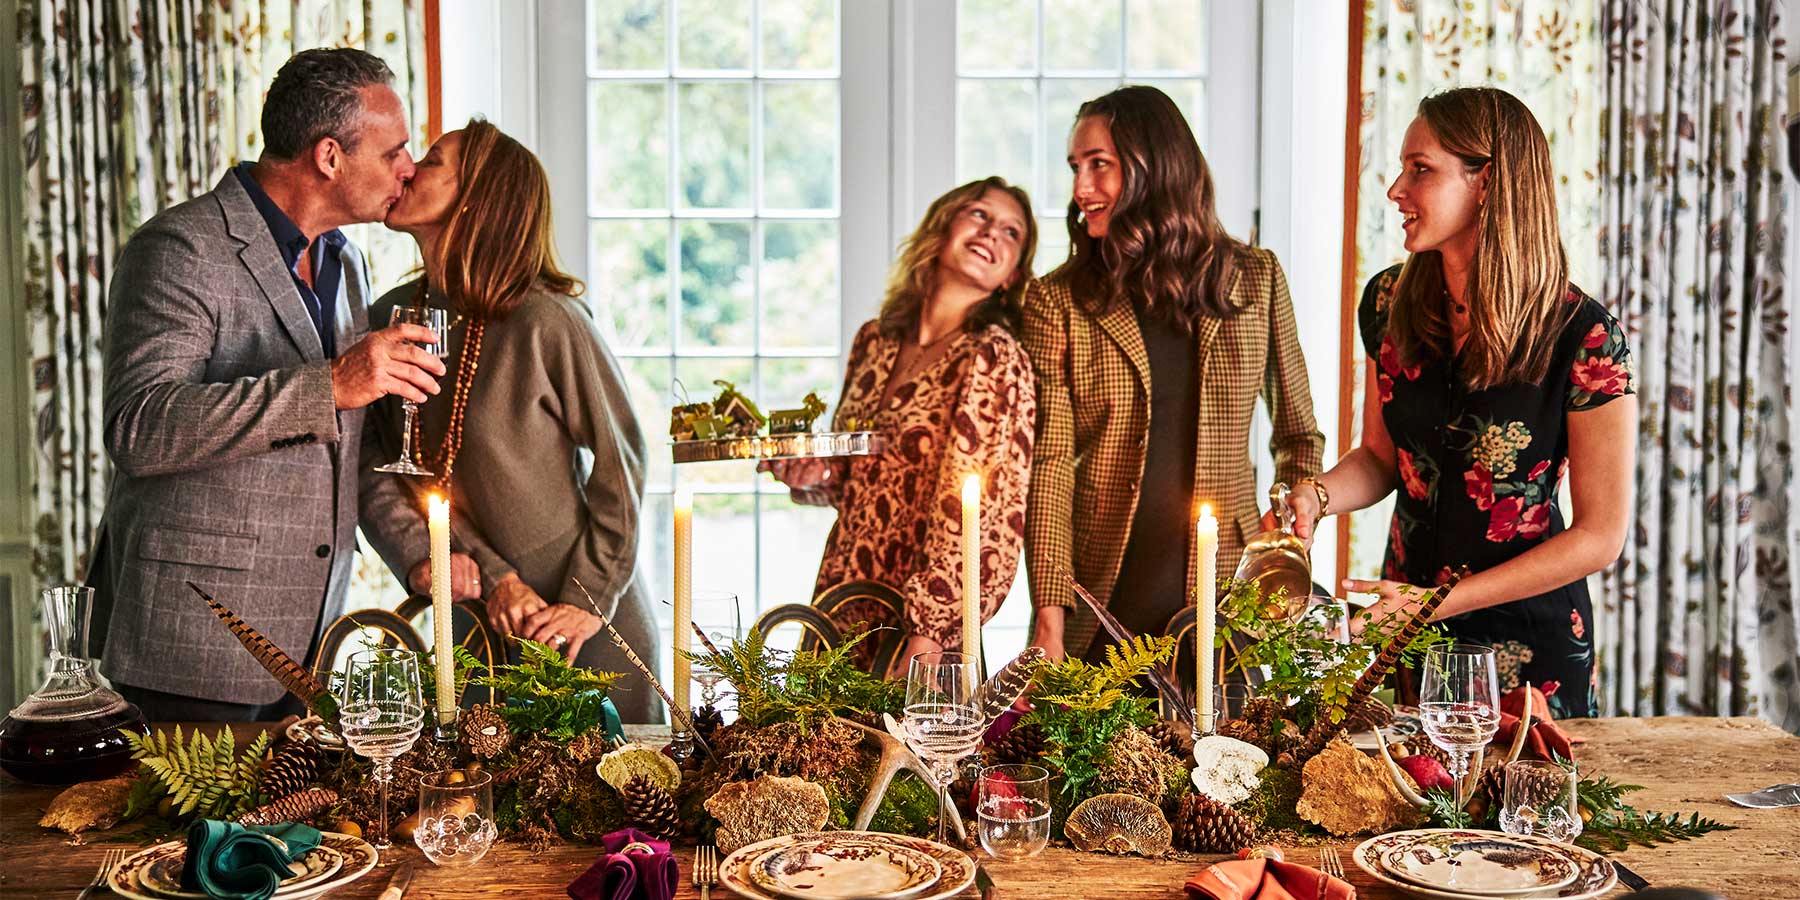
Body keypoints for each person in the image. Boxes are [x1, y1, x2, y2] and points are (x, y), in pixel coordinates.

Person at [87, 49, 478, 721]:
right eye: (394, 153)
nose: (408, 169)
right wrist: (328, 385)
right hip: (191, 646)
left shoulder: (345, 262)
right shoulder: (180, 248)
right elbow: (141, 429)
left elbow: (343, 453)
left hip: (308, 652)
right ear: (329, 157)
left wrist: (421, 556)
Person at [1281, 87, 1636, 718]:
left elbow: (1601, 536)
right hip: (1410, 636)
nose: (1395, 189)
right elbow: (1382, 459)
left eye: (1420, 169)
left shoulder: (1586, 337)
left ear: (1488, 183)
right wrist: (1316, 496)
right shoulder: (1387, 303)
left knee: (1524, 815)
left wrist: (1433, 603)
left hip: (1532, 649)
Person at [362, 119, 659, 722]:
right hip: (478, 624)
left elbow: (623, 460)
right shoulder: (388, 320)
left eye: (435, 161)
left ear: (477, 196)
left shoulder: (548, 319)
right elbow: (409, 477)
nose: (410, 168)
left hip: (584, 627)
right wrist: (496, 579)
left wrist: (588, 599)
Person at [1023, 85, 1325, 665]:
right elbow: (1051, 464)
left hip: (1230, 594)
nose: (1081, 189)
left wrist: (1297, 510)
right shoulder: (1056, 301)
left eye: (1099, 166)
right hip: (1102, 589)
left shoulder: (1257, 279)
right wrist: (1049, 619)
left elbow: (1297, 434)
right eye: (1076, 168)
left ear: (1154, 168)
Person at [763, 177, 1039, 675]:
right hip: (841, 596)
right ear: (943, 228)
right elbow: (857, 476)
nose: (992, 232)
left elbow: (987, 516)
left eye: (1011, 232)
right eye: (978, 214)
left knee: (904, 753)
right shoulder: (875, 341)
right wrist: (815, 475)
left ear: (1012, 277)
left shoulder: (993, 357)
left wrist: (931, 633)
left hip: (919, 622)